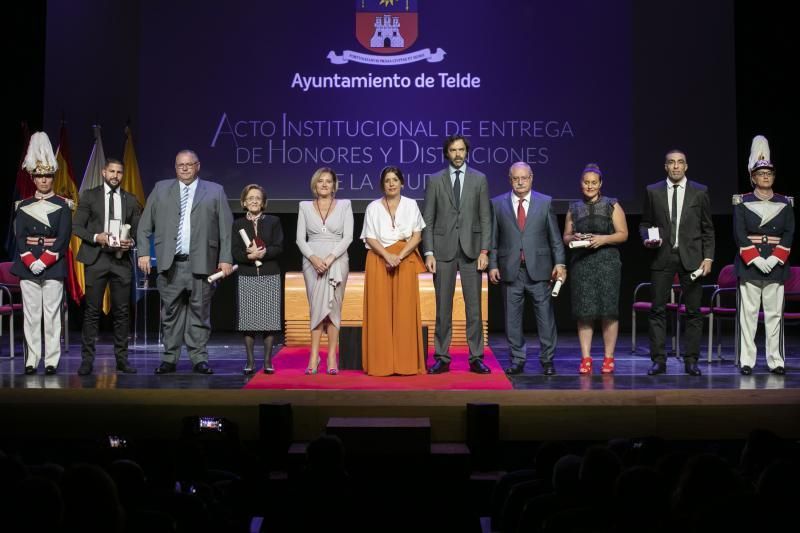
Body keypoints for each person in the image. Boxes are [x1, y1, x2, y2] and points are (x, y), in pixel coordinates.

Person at [137, 150, 233, 374]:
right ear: (175, 167)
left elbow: (225, 229)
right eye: (181, 165)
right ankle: (170, 358)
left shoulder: (215, 190)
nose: (185, 168)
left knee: (200, 313)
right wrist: (143, 253)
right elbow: (144, 226)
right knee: (170, 314)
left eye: (190, 165)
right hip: (170, 264)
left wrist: (225, 258)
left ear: (198, 166)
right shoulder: (161, 189)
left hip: (202, 263)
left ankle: (199, 358)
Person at [640, 149, 714, 376]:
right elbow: (645, 223)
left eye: (680, 162)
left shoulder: (700, 192)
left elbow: (707, 229)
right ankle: (659, 360)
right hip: (662, 257)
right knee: (658, 311)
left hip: (691, 258)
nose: (675, 166)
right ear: (665, 166)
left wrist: (708, 257)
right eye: (671, 163)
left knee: (693, 312)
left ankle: (691, 360)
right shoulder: (653, 191)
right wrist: (647, 239)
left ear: (686, 166)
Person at [489, 162, 566, 376]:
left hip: (540, 269)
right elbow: (493, 238)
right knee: (512, 320)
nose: (520, 182)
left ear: (531, 178)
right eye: (516, 178)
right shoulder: (498, 204)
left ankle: (548, 360)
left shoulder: (545, 202)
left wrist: (560, 263)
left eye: (524, 177)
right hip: (510, 269)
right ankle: (517, 360)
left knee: (545, 318)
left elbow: (555, 238)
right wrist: (493, 264)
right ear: (510, 179)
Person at [422, 134, 492, 374]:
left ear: (467, 152)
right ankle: (442, 357)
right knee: (443, 307)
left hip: (472, 249)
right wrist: (429, 252)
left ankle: (476, 358)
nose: (458, 154)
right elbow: (428, 220)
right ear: (447, 153)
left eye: (461, 150)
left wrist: (485, 250)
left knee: (474, 308)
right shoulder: (434, 180)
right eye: (453, 150)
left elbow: (485, 217)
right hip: (442, 251)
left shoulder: (479, 179)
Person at [73, 158, 141, 375]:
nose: (115, 175)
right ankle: (87, 361)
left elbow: (140, 232)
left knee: (122, 312)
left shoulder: (130, 199)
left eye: (119, 172)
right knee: (92, 312)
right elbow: (76, 227)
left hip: (121, 261)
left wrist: (132, 242)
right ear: (103, 172)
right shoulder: (90, 196)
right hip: (97, 259)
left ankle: (122, 360)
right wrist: (96, 236)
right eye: (111, 171)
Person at [12, 131, 72, 375]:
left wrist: (44, 260)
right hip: (28, 267)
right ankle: (31, 359)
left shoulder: (62, 205)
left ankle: (51, 360)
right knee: (31, 316)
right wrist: (30, 261)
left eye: (48, 176)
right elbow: (19, 237)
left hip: (53, 265)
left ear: (52, 178)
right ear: (33, 179)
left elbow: (63, 238)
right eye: (40, 176)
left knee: (51, 315)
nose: (44, 180)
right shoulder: (23, 206)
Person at [733, 135, 794, 375]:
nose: (766, 176)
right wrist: (755, 258)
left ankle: (775, 361)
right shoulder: (742, 201)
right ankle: (747, 360)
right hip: (750, 264)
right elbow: (739, 233)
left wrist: (775, 258)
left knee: (774, 316)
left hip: (776, 266)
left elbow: (789, 233)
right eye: (761, 173)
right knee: (747, 317)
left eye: (769, 173)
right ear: (753, 177)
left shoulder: (785, 203)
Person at [562, 163, 628, 374]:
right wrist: (574, 237)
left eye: (593, 182)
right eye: (586, 182)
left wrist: (603, 239)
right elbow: (565, 236)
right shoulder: (573, 207)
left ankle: (609, 358)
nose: (589, 186)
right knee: (585, 312)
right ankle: (586, 358)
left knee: (608, 312)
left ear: (600, 184)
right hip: (582, 264)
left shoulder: (612, 205)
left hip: (607, 263)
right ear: (581, 184)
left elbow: (623, 234)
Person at [361, 166, 427, 376]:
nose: (391, 183)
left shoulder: (411, 204)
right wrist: (387, 255)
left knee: (405, 311)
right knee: (379, 310)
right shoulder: (373, 207)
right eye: (387, 180)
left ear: (402, 183)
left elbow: (417, 236)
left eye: (395, 180)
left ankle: (405, 363)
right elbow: (370, 237)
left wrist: (399, 256)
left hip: (404, 258)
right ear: (382, 184)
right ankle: (381, 364)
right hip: (378, 258)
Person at [296, 167, 353, 374]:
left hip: (337, 260)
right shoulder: (304, 206)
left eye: (329, 181)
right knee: (317, 309)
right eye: (320, 181)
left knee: (334, 309)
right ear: (315, 184)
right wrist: (314, 258)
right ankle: (313, 357)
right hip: (312, 261)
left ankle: (330, 357)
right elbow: (300, 239)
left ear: (334, 185)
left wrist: (329, 258)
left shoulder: (345, 205)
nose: (324, 184)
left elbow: (348, 237)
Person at [231, 184, 284, 375]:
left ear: (263, 203)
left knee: (269, 320)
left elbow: (279, 246)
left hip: (269, 273)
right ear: (244, 202)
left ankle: (268, 361)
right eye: (250, 198)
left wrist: (264, 253)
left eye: (258, 198)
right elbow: (235, 251)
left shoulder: (273, 221)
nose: (254, 200)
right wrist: (249, 257)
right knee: (248, 321)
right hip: (247, 275)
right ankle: (250, 362)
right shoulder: (237, 224)